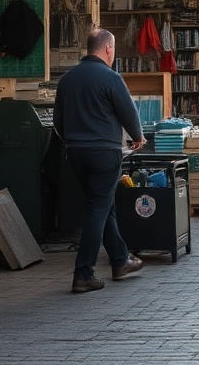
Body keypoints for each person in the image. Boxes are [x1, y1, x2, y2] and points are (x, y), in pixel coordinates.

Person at [54, 28, 145, 293]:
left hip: (75, 153)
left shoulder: (67, 80)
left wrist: (73, 140)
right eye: (114, 50)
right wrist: (137, 136)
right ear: (108, 48)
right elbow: (129, 112)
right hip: (104, 153)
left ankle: (120, 260)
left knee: (102, 205)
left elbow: (58, 121)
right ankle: (83, 274)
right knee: (97, 209)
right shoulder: (111, 77)